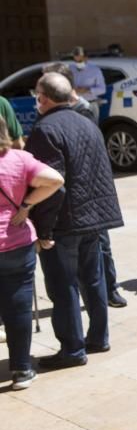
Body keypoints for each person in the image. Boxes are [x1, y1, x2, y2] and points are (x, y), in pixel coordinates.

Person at [26, 73, 124, 370]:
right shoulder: (87, 122)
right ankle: (98, 337)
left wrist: (43, 230)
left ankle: (72, 349)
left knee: (63, 285)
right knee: (92, 280)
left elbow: (51, 185)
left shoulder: (45, 130)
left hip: (65, 222)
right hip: (92, 219)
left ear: (43, 98)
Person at [41, 62, 127, 308]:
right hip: (72, 194)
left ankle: (110, 289)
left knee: (101, 244)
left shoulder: (83, 110)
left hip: (88, 191)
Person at [0, 116, 64, 389]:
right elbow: (55, 180)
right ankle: (21, 370)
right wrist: (25, 205)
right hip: (17, 243)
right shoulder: (19, 159)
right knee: (19, 308)